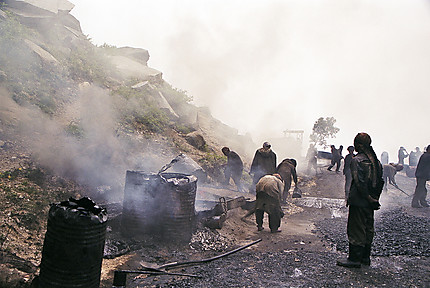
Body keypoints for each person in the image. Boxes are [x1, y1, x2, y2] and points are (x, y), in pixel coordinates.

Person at [337, 133, 383, 268]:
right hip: (371, 203)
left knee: (356, 229)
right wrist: (374, 199)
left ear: (359, 145)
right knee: (368, 228)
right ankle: (365, 258)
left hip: (359, 201)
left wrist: (367, 197)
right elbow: (380, 182)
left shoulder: (357, 161)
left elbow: (359, 183)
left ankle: (354, 259)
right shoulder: (376, 162)